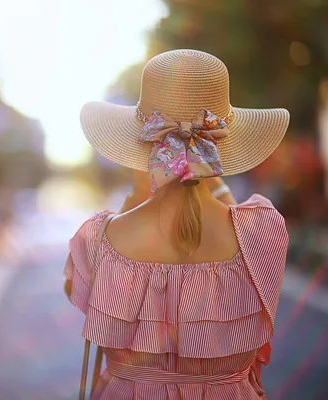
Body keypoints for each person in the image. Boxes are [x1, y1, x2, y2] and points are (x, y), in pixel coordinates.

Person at [64, 49, 289, 399]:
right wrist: (209, 177)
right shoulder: (263, 230)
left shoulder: (98, 240)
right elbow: (239, 231)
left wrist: (139, 190)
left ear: (140, 145)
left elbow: (77, 294)